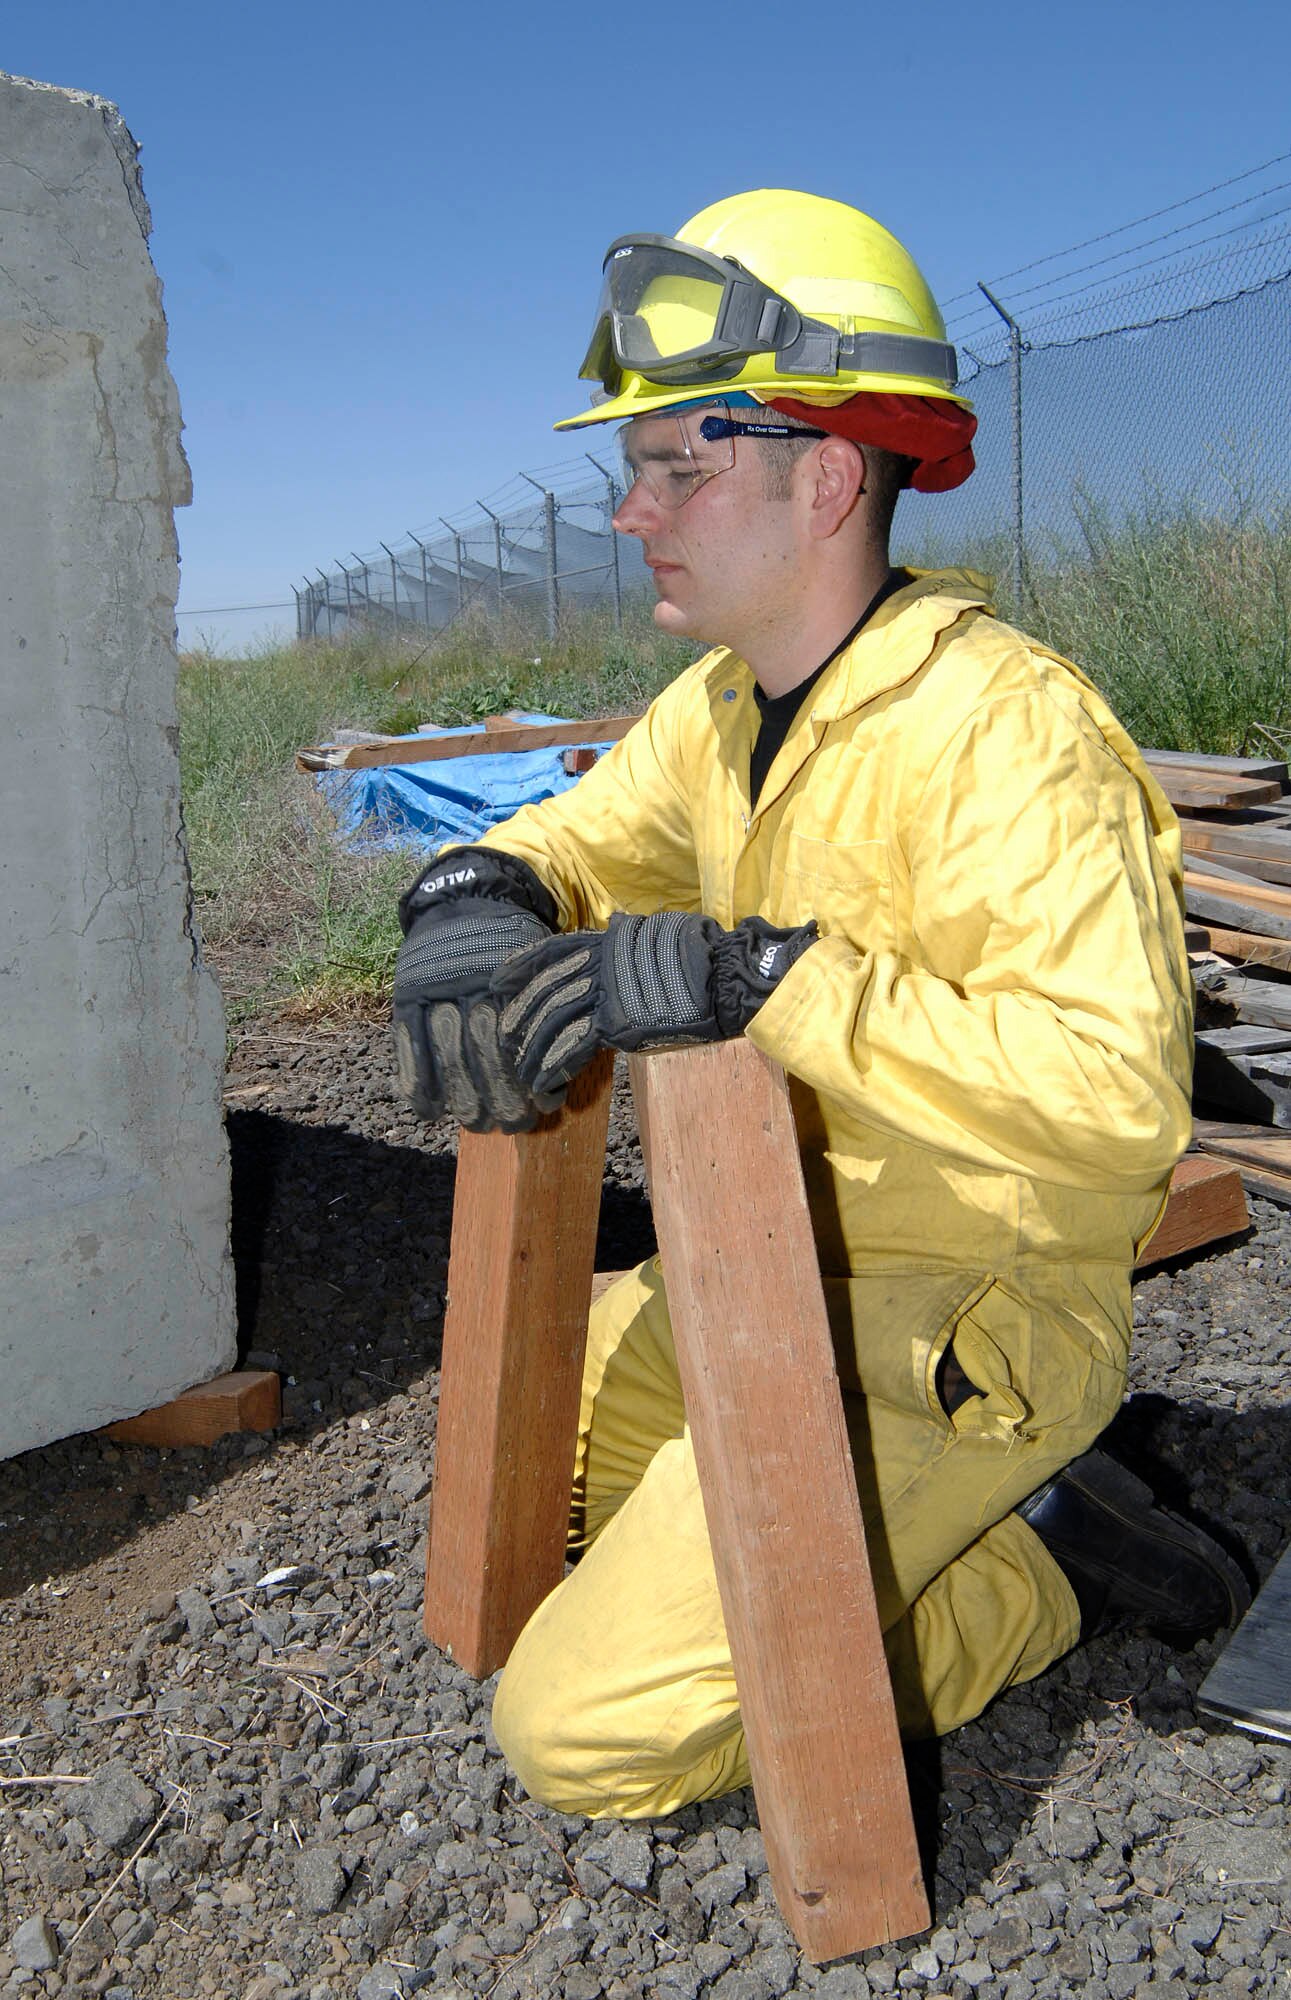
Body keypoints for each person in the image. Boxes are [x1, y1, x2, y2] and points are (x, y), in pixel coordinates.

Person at [392, 190, 1249, 1818]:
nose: (633, 513)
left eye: (679, 466)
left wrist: (766, 983)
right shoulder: (724, 710)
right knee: (518, 1460)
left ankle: (1037, 1573)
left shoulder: (1009, 734)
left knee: (585, 1736)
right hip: (766, 1259)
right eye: (631, 468)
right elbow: (572, 838)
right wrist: (466, 896)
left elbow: (1119, 1108)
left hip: (964, 1321)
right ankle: (909, 1533)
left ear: (832, 472)